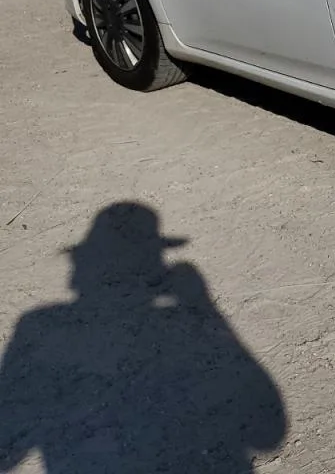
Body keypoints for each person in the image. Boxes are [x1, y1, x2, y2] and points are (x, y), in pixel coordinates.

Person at [0, 202, 287, 473]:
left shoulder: (39, 324)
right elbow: (268, 432)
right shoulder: (181, 321)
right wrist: (204, 306)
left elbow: (10, 451)